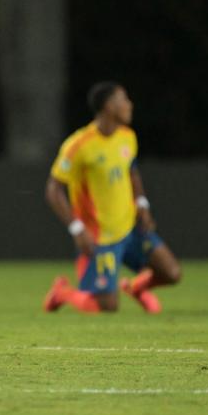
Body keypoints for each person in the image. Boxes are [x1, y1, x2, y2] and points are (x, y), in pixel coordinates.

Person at [43, 82, 181, 314]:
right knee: (107, 306)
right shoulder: (79, 145)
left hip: (130, 228)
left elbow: (132, 171)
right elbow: (53, 190)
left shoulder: (127, 136)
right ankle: (62, 293)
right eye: (123, 99)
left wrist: (142, 204)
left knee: (171, 273)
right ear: (109, 106)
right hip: (100, 238)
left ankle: (136, 288)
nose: (129, 104)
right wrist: (77, 229)